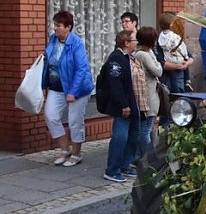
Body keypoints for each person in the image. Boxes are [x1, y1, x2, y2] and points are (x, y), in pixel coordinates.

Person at [41, 11, 94, 167]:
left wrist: (73, 92)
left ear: (68, 27)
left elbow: (81, 69)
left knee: (74, 121)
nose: (55, 28)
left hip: (78, 89)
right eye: (54, 25)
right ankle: (65, 149)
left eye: (58, 25)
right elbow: (50, 59)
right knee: (50, 116)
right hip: (57, 87)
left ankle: (76, 154)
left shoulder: (76, 43)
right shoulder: (53, 40)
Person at [103, 30, 140, 183]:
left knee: (134, 133)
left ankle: (125, 164)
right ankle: (112, 170)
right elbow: (115, 84)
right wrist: (124, 105)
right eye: (134, 40)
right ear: (126, 43)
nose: (136, 43)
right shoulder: (116, 59)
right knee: (120, 136)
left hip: (131, 101)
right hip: (123, 104)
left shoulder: (126, 58)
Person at [133, 26, 162, 154]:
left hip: (147, 95)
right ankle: (146, 156)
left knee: (150, 128)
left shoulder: (142, 52)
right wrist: (159, 62)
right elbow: (158, 71)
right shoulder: (143, 55)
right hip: (148, 96)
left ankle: (151, 153)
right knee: (145, 129)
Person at [157, 12, 192, 93]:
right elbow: (185, 52)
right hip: (174, 72)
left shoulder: (161, 37)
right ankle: (187, 82)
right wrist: (184, 62)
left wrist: (186, 63)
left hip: (170, 62)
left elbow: (191, 58)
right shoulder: (176, 37)